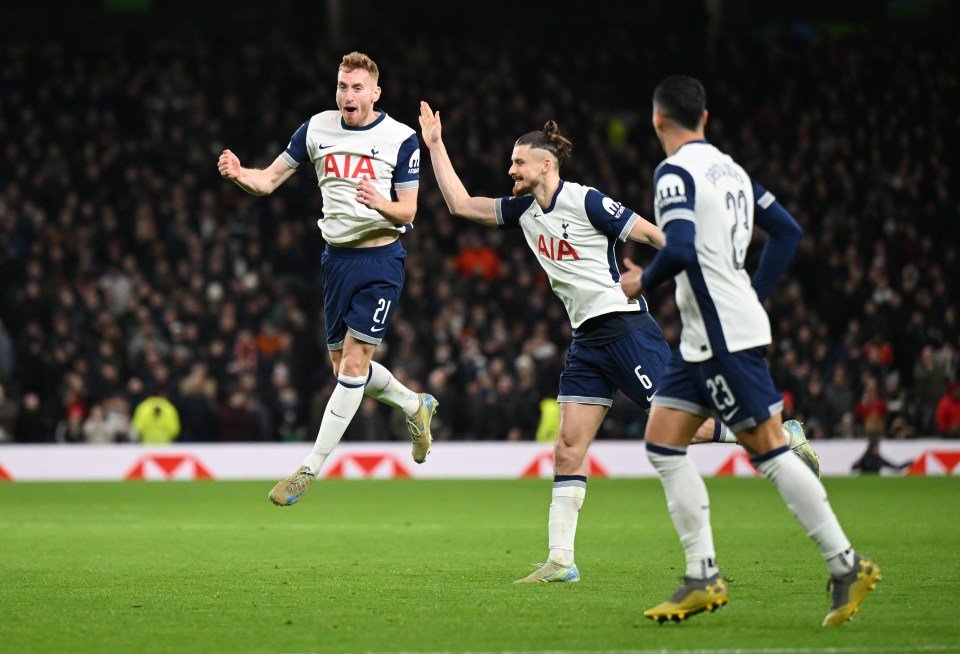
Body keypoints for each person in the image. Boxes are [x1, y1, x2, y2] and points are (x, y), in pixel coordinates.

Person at [417, 101, 818, 585]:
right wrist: (436, 145)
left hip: (626, 328)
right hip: (586, 339)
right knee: (567, 446)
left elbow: (654, 235)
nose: (511, 170)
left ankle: (780, 436)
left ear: (546, 164)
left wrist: (664, 275)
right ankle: (561, 561)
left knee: (681, 428)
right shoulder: (524, 210)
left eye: (518, 162)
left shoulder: (587, 201)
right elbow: (461, 205)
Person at [621, 76, 879, 627]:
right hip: (707, 336)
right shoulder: (732, 170)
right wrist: (753, 294)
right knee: (664, 441)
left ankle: (845, 563)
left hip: (721, 339)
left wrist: (643, 282)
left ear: (658, 120)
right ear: (706, 118)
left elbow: (683, 246)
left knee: (768, 451)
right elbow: (787, 232)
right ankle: (702, 574)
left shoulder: (674, 172)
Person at [218, 52, 438, 506]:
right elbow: (268, 181)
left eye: (357, 88)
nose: (348, 95)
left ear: (376, 92)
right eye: (342, 86)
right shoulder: (316, 128)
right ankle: (414, 404)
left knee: (353, 366)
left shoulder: (401, 139)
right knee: (342, 370)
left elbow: (409, 210)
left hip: (380, 262)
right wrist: (241, 175)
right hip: (335, 262)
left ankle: (308, 469)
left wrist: (381, 203)